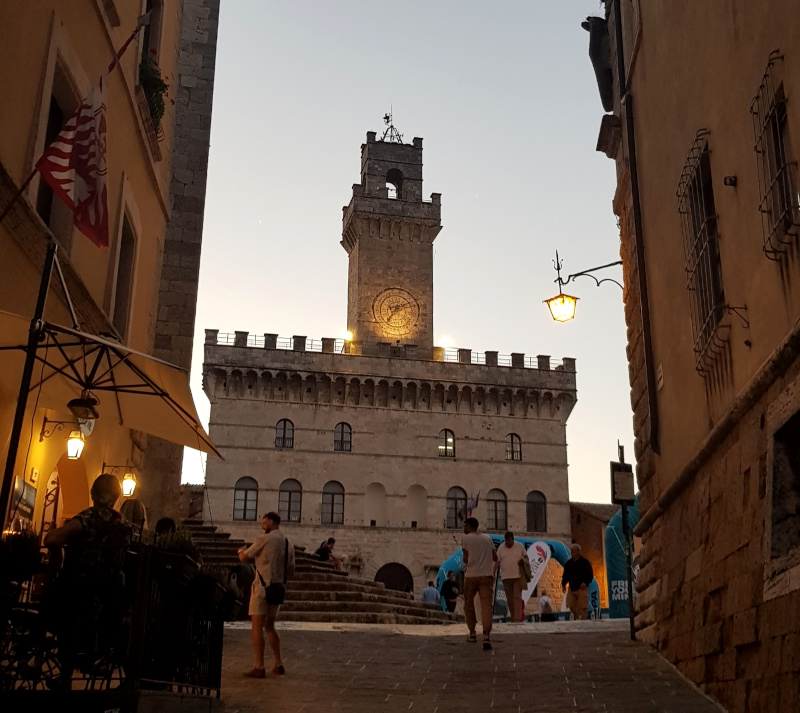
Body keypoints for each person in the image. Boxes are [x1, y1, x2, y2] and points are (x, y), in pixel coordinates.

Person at [43, 473, 132, 683]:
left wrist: (58, 558)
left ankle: (64, 672)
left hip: (79, 590)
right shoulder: (123, 525)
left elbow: (52, 539)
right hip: (110, 596)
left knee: (58, 602)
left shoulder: (88, 518)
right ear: (117, 496)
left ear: (93, 493)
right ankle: (92, 660)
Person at [238, 512, 295, 677]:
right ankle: (278, 663)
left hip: (261, 589)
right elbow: (291, 571)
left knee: (256, 626)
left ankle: (259, 666)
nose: (262, 525)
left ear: (271, 522)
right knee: (270, 626)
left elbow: (244, 557)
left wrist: (240, 550)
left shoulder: (264, 539)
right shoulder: (287, 543)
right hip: (277, 589)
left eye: (264, 522)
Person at [461, 517, 498, 650]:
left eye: (465, 526)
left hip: (471, 575)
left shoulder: (465, 539)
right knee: (486, 606)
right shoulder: (488, 538)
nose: (463, 528)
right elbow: (495, 557)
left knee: (469, 604)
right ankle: (486, 636)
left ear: (470, 526)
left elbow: (465, 559)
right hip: (487, 575)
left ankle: (472, 632)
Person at [496, 531, 526, 622]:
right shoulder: (501, 548)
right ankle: (513, 616)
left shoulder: (520, 546)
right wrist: (492, 573)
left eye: (509, 541)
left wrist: (524, 564)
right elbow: (496, 562)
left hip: (517, 576)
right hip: (506, 577)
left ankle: (518, 618)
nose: (508, 543)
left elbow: (526, 557)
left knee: (517, 597)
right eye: (506, 541)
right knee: (510, 598)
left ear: (513, 539)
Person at [561, 543, 593, 621]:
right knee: (570, 604)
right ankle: (576, 616)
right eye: (571, 551)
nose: (571, 552)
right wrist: (563, 584)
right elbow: (565, 575)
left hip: (582, 588)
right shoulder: (568, 564)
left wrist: (585, 582)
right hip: (572, 587)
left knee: (583, 607)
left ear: (578, 551)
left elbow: (590, 574)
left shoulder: (585, 562)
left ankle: (583, 621)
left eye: (573, 551)